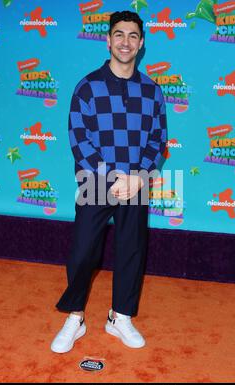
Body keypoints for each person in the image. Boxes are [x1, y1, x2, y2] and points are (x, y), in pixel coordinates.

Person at [51, 10, 167, 353]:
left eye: (132, 35)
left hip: (136, 182)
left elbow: (157, 139)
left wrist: (137, 176)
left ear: (141, 42)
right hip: (96, 182)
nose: (125, 42)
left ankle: (120, 317)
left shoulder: (152, 90)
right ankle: (75, 317)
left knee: (132, 250)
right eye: (119, 34)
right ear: (108, 39)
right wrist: (112, 176)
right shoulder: (87, 86)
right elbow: (79, 137)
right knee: (83, 250)